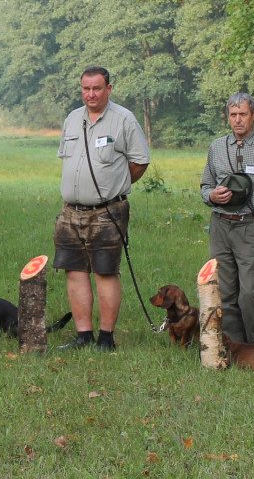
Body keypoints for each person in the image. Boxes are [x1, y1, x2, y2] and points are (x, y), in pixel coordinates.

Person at [54, 66, 150, 351]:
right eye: (86, 88)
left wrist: (115, 186)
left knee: (105, 272)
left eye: (97, 88)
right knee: (74, 271)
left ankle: (106, 338)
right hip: (70, 211)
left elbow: (140, 161)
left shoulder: (124, 119)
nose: (91, 94)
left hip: (107, 212)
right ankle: (83, 335)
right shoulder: (72, 119)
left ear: (109, 88)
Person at [201, 92, 254, 345]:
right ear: (228, 117)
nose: (238, 120)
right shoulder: (217, 147)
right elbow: (205, 186)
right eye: (233, 115)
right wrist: (212, 196)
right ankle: (234, 347)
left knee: (250, 292)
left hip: (250, 226)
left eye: (243, 114)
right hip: (220, 225)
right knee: (225, 292)